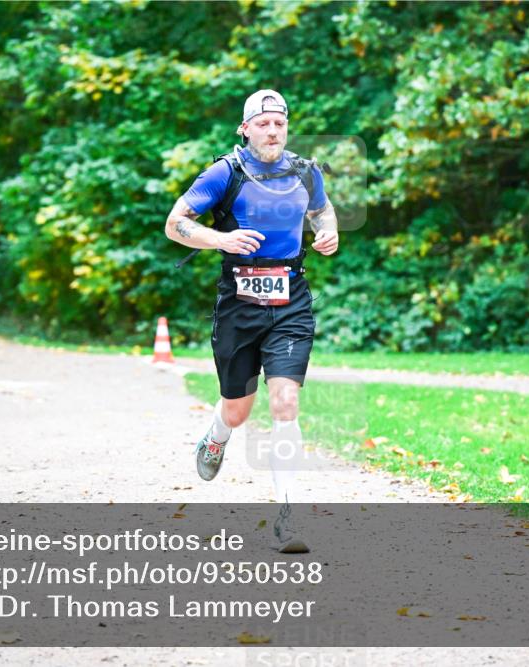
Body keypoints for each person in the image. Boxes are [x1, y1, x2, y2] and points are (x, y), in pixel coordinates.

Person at [164, 90, 339, 553]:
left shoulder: (305, 171)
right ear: (246, 129)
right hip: (238, 304)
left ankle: (286, 515)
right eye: (262, 123)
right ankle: (218, 434)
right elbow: (175, 222)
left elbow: (323, 210)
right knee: (238, 410)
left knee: (285, 402)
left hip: (291, 300)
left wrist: (329, 231)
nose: (272, 130)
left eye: (279, 123)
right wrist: (222, 239)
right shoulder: (226, 172)